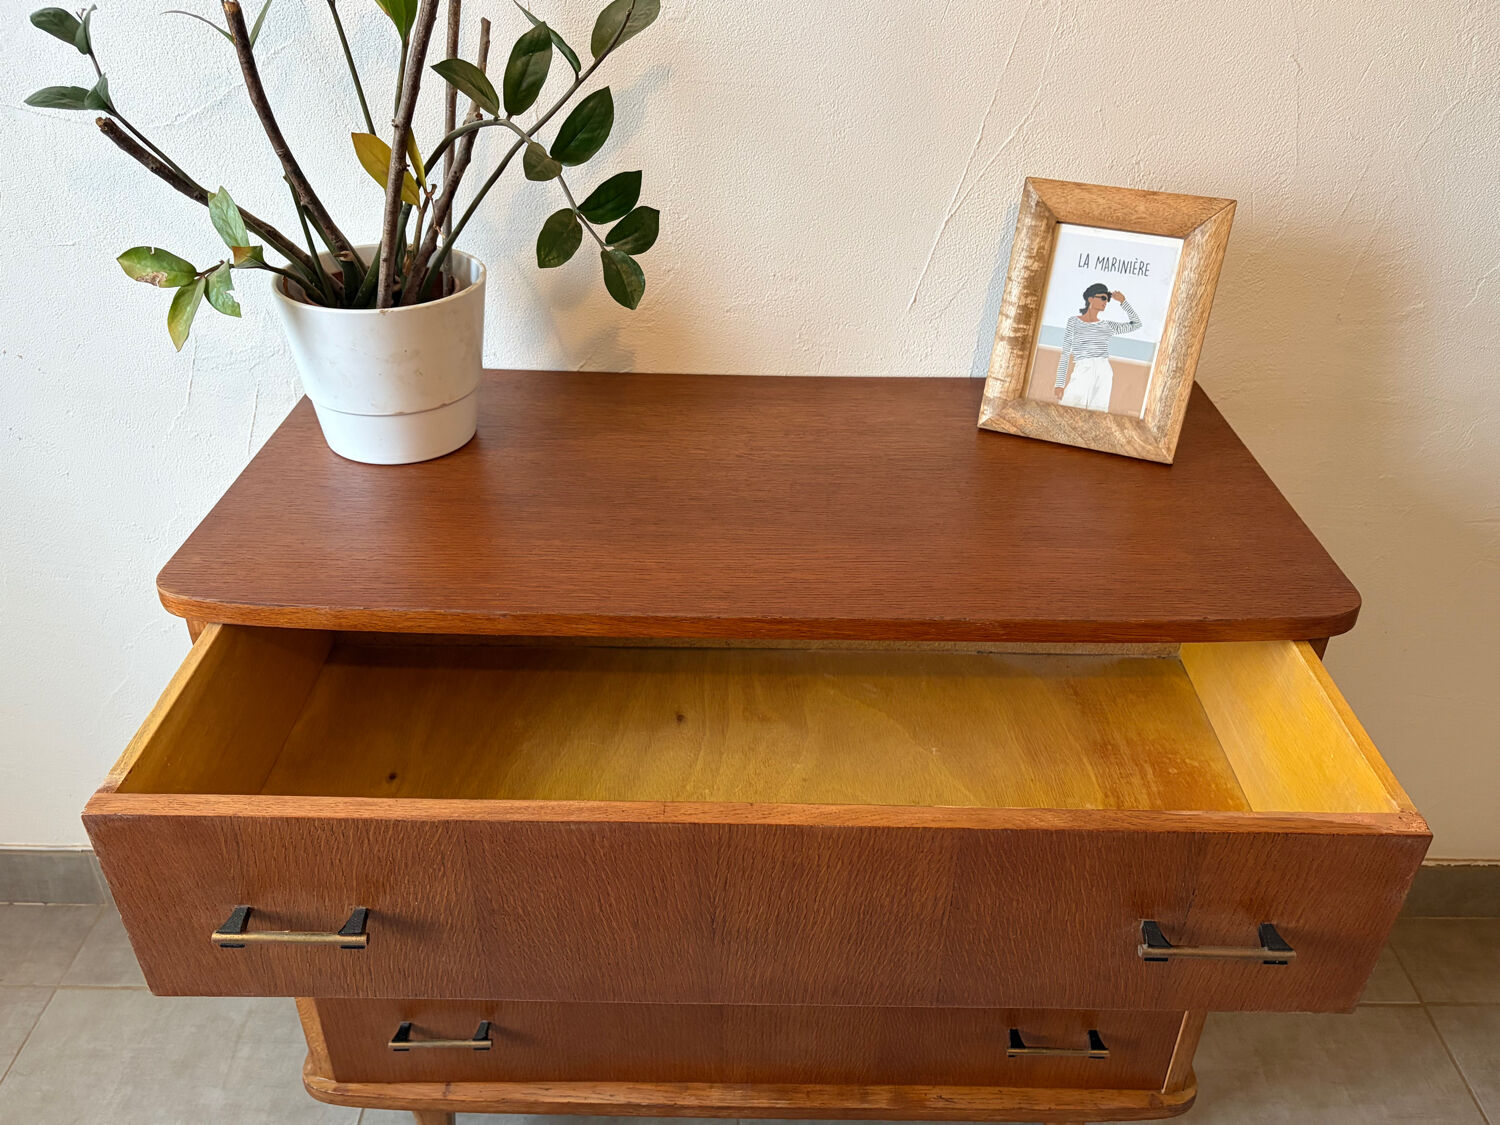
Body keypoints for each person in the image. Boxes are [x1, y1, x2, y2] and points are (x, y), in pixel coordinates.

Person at [1053, 283, 1141, 412]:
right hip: (1082, 368)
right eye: (1103, 298)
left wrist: (1123, 301)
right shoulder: (1073, 321)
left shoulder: (1107, 325)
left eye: (1107, 299)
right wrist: (1059, 384)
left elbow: (1136, 324)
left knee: (1097, 413)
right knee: (1068, 409)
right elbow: (1065, 353)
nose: (1106, 302)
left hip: (1103, 370)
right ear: (1090, 299)